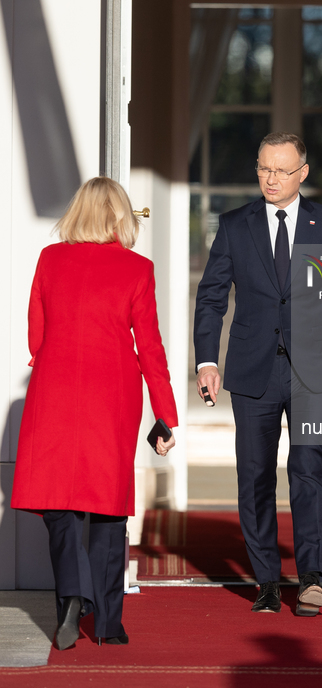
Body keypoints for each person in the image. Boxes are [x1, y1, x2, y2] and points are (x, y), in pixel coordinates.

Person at [194, 132, 322, 615]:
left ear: (302, 173)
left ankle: (312, 577)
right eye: (264, 168)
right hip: (252, 370)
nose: (271, 178)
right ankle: (267, 579)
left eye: (282, 170)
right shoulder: (233, 226)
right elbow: (211, 298)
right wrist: (207, 361)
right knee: (255, 476)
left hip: (314, 371)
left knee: (308, 468)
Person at [11, 177, 178, 650]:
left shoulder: (50, 259)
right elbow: (149, 348)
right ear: (120, 216)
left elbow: (35, 335)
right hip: (112, 394)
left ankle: (71, 593)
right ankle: (108, 623)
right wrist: (165, 415)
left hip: (55, 388)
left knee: (59, 504)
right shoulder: (137, 269)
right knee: (108, 510)